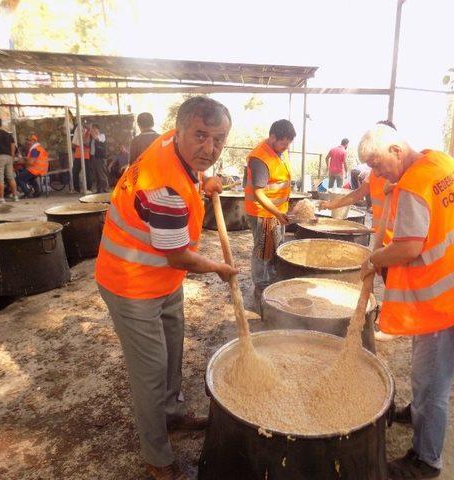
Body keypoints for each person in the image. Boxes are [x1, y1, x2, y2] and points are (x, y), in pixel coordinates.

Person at [95, 96, 237, 480]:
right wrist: (221, 269)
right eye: (201, 136)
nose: (210, 148)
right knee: (151, 370)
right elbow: (181, 258)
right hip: (130, 282)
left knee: (174, 347)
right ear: (180, 130)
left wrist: (203, 181)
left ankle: (172, 413)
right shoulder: (164, 188)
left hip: (161, 277)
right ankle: (156, 454)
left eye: (219, 140)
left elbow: (186, 174)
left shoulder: (168, 147)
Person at [358, 123, 454, 479]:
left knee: (432, 382)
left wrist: (373, 259)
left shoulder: (413, 187)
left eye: (378, 163)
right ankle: (417, 411)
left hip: (445, 303)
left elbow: (409, 247)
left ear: (397, 151)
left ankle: (426, 460)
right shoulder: (440, 162)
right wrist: (395, 184)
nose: (375, 172)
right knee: (428, 370)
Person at [243, 119, 295, 307]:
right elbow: (258, 193)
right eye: (283, 142)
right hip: (263, 212)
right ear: (272, 137)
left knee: (275, 248)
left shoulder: (281, 150)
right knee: (263, 251)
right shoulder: (260, 158)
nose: (286, 146)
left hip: (276, 211)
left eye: (289, 143)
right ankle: (261, 289)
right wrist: (276, 213)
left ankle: (272, 283)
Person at [0, 116, 18, 203]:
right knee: (11, 177)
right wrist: (12, 157)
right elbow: (13, 146)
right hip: (8, 157)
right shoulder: (8, 134)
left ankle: (1, 198)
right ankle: (15, 196)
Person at [72, 120, 92, 192]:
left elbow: (87, 143)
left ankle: (89, 188)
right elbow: (74, 144)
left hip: (85, 155)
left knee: (87, 172)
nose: (84, 124)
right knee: (75, 171)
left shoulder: (88, 132)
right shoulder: (79, 130)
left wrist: (83, 136)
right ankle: (76, 188)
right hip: (78, 154)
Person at [89, 123, 109, 193]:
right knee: (96, 174)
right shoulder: (92, 138)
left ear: (98, 129)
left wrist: (91, 130)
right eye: (93, 129)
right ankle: (99, 190)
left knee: (101, 174)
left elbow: (96, 138)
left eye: (95, 129)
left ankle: (105, 189)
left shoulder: (102, 136)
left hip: (100, 158)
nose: (93, 131)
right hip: (94, 157)